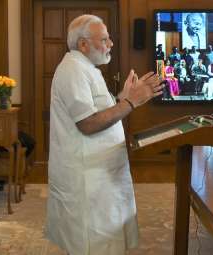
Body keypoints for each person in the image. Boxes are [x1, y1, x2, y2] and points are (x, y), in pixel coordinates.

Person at [45, 14, 163, 255]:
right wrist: (131, 101)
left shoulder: (87, 68)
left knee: (106, 243)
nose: (110, 44)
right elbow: (87, 123)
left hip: (101, 175)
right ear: (83, 44)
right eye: (105, 39)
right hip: (87, 180)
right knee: (92, 246)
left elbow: (99, 112)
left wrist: (122, 97)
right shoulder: (73, 70)